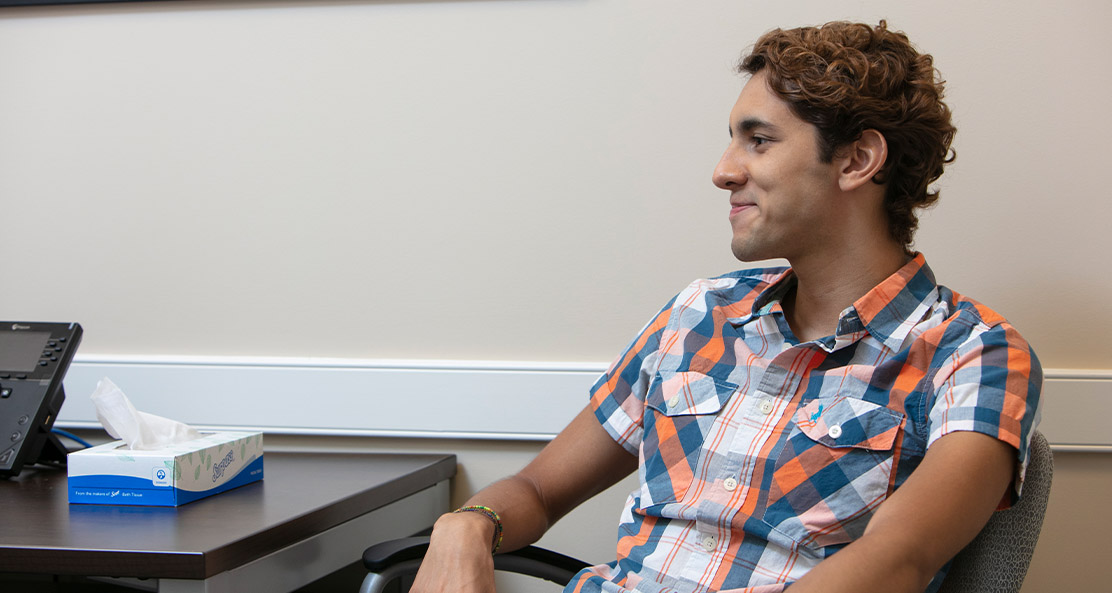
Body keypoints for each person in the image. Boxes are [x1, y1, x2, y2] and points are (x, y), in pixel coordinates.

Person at [412, 20, 1042, 593]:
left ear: (857, 160)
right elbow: (535, 490)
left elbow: (898, 560)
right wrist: (468, 526)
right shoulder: (699, 311)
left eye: (759, 141)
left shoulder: (975, 353)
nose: (722, 171)